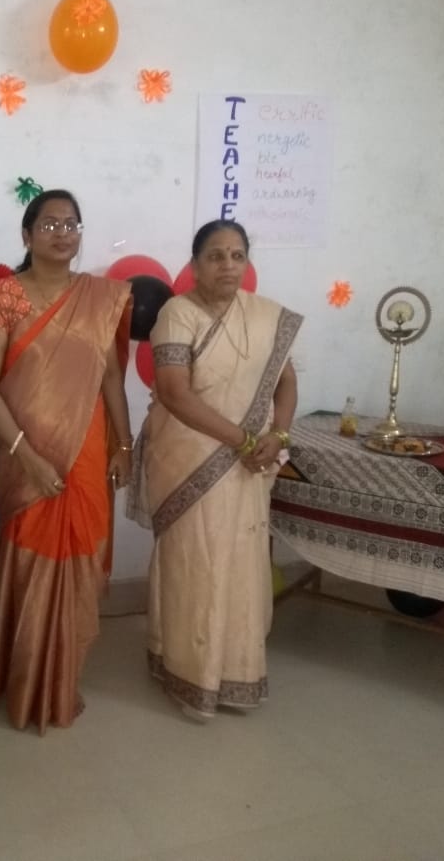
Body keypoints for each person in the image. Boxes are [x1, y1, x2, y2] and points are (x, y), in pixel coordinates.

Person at [0, 189, 133, 732]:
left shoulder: (100, 297)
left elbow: (111, 378)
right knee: (31, 557)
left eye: (71, 224)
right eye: (49, 224)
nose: (62, 233)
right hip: (23, 458)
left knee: (81, 558)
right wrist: (29, 458)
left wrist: (124, 444)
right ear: (27, 234)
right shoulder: (4, 298)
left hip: (85, 452)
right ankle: (25, 681)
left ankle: (63, 678)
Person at [128, 219, 302, 722]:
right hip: (189, 459)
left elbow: (286, 384)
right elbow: (174, 393)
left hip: (248, 465)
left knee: (241, 564)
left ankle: (236, 671)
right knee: (195, 564)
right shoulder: (176, 314)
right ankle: (186, 673)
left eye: (237, 255)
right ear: (195, 264)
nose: (228, 265)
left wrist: (279, 436)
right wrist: (243, 440)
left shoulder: (265, 316)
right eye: (215, 255)